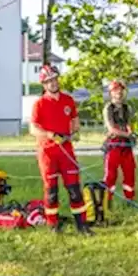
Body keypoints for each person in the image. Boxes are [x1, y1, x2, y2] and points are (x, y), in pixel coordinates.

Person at [29, 64, 91, 234]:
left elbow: (75, 122)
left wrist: (75, 133)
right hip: (48, 153)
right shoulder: (39, 104)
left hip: (66, 151)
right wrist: (50, 134)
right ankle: (53, 226)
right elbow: (33, 129)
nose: (53, 83)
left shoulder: (68, 100)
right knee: (51, 191)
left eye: (55, 79)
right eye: (49, 81)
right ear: (44, 84)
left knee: (74, 189)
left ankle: (82, 226)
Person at [102, 80, 137, 206]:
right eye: (116, 91)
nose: (119, 93)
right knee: (111, 175)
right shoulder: (108, 108)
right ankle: (107, 202)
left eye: (121, 91)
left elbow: (128, 124)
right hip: (113, 144)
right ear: (111, 93)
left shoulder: (127, 108)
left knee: (130, 172)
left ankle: (130, 200)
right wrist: (128, 134)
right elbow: (111, 129)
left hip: (126, 145)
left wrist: (131, 133)